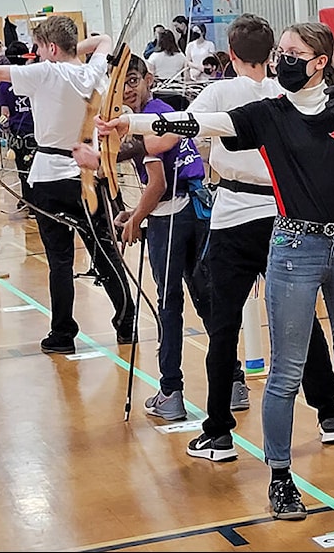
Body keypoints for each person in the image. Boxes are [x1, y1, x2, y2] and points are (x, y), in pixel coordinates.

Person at [93, 21, 334, 520]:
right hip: (295, 246)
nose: (282, 61)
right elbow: (197, 124)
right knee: (286, 372)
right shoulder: (267, 113)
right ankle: (280, 478)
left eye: (294, 53)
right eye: (280, 52)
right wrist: (133, 126)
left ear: (320, 61)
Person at [178, 13, 334, 462]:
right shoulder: (286, 91)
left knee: (223, 325)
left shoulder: (217, 92)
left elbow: (181, 138)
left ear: (231, 55)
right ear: (271, 53)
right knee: (300, 318)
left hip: (235, 217)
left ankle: (218, 432)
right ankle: (330, 412)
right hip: (283, 216)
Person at [0, 15, 136, 353]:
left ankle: (63, 334)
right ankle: (127, 322)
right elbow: (105, 40)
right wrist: (66, 51)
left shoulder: (45, 72)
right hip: (87, 177)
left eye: (39, 47)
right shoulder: (94, 71)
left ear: (50, 47)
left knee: (60, 260)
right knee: (103, 250)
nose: (34, 53)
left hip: (50, 179)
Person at [116, 55, 212, 422]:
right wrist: (136, 213)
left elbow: (157, 183)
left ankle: (171, 391)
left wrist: (136, 218)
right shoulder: (162, 111)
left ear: (149, 79)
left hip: (173, 218)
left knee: (169, 305)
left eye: (134, 80)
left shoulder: (148, 120)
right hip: (192, 212)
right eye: (122, 84)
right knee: (205, 299)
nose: (129, 89)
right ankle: (233, 381)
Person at [0, 41, 36, 211]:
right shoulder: (34, 78)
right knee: (35, 167)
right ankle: (36, 202)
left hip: (18, 133)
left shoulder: (4, 85)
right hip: (36, 131)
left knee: (23, 169)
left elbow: (5, 114)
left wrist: (3, 129)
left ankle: (29, 200)